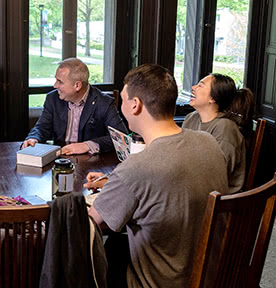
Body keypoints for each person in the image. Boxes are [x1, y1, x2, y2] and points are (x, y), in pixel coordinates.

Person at [85, 64, 228, 288]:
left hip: (160, 281)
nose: (120, 106)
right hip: (212, 275)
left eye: (122, 100)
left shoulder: (136, 167)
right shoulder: (209, 143)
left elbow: (93, 220)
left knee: (101, 251)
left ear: (135, 105)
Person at [22, 58, 127, 155]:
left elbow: (121, 137)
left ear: (77, 85)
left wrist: (87, 145)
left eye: (60, 82)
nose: (55, 86)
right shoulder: (53, 98)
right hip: (60, 157)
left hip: (91, 162)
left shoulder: (104, 102)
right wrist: (33, 138)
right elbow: (42, 127)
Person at [183, 73, 255, 193]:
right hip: (193, 189)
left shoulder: (226, 129)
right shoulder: (191, 118)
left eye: (200, 85)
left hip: (219, 201)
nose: (193, 87)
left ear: (213, 98)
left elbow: (216, 176)